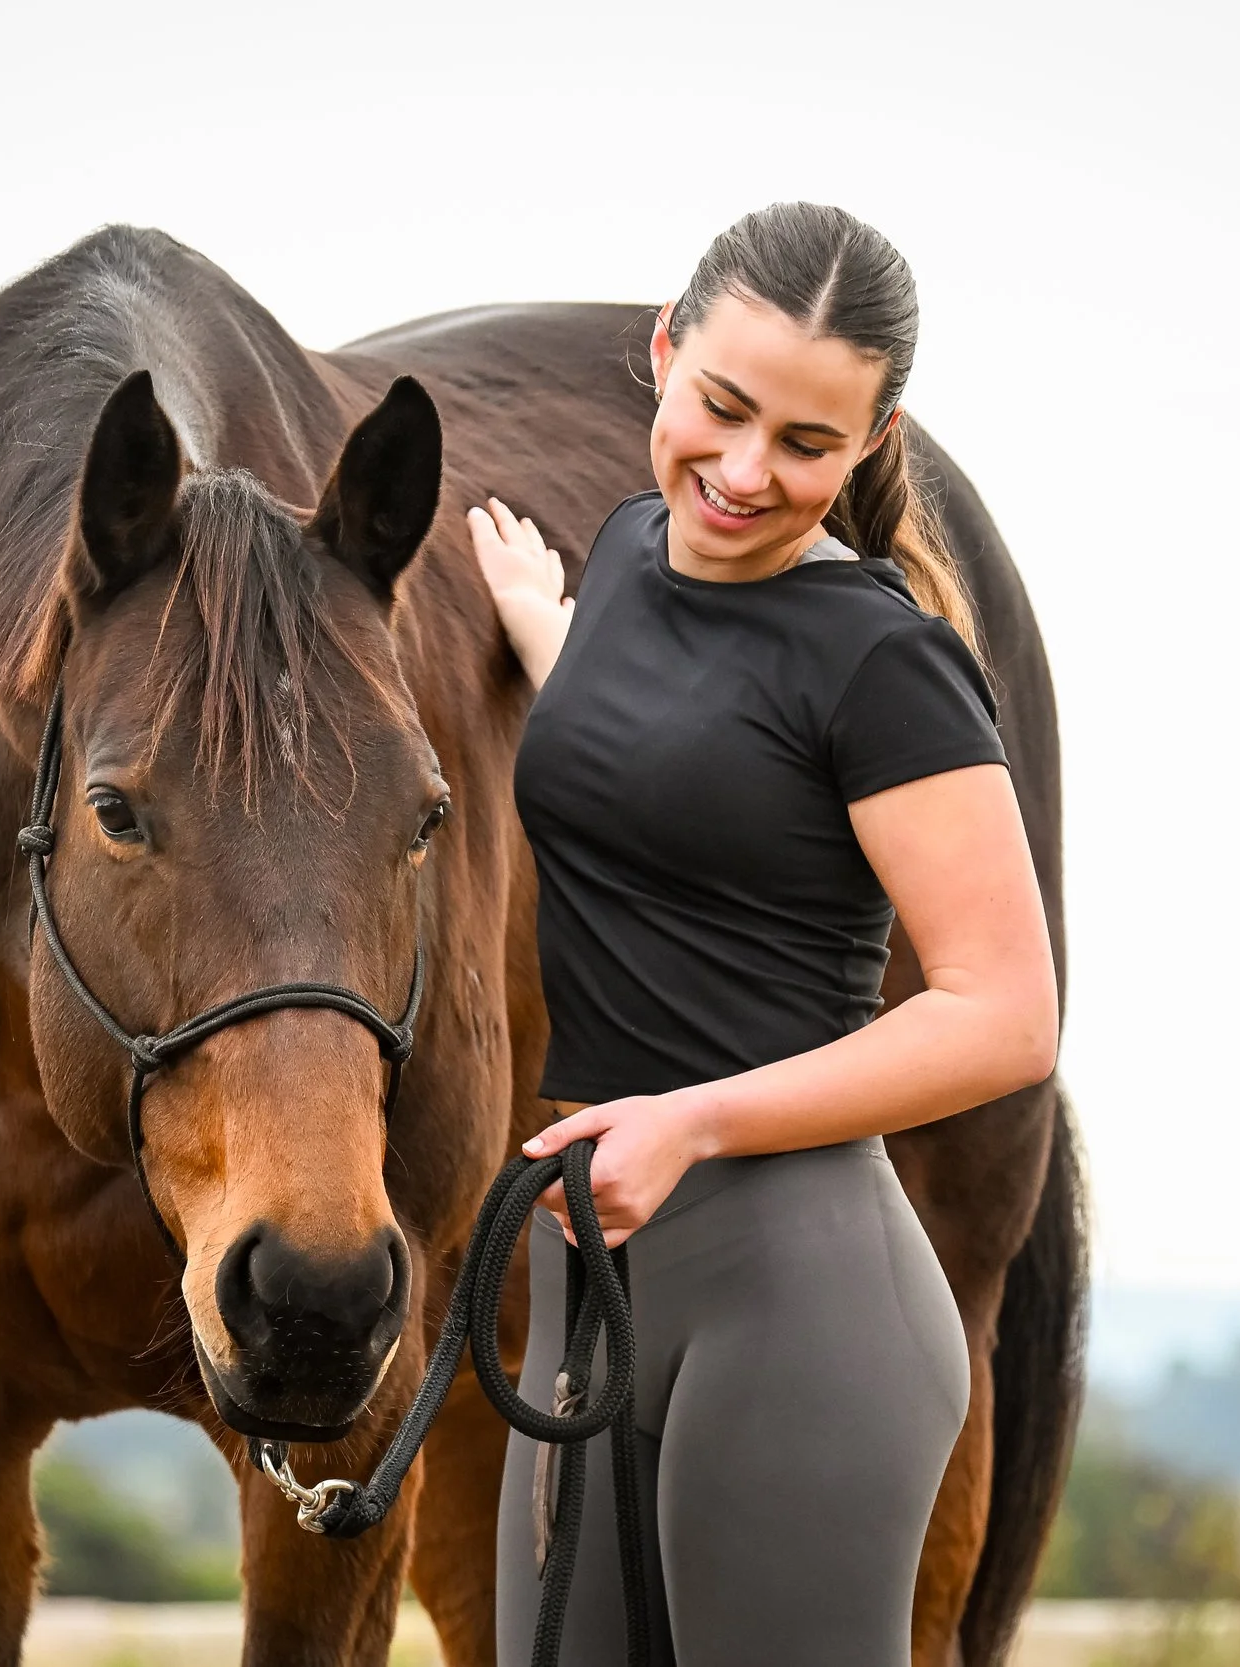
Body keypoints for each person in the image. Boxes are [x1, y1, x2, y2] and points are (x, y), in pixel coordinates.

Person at [466, 202, 1061, 1665]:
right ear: (663, 356)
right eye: (720, 409)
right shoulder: (621, 556)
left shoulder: (886, 664)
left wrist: (691, 1125)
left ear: (870, 442)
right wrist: (553, 634)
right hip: (591, 1289)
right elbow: (672, 755)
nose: (742, 474)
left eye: (805, 443)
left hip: (802, 1306)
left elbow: (1005, 1011)